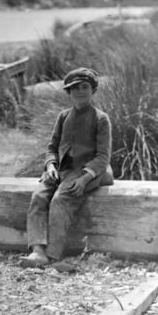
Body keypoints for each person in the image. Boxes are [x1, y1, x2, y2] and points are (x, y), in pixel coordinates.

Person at [21, 67, 114, 270]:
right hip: (63, 170)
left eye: (84, 87)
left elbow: (103, 157)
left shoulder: (100, 118)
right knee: (39, 195)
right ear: (68, 93)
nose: (80, 92)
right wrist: (51, 165)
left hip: (90, 171)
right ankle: (37, 250)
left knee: (61, 198)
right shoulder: (63, 117)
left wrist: (83, 179)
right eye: (75, 89)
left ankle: (53, 255)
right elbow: (52, 148)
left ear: (93, 90)